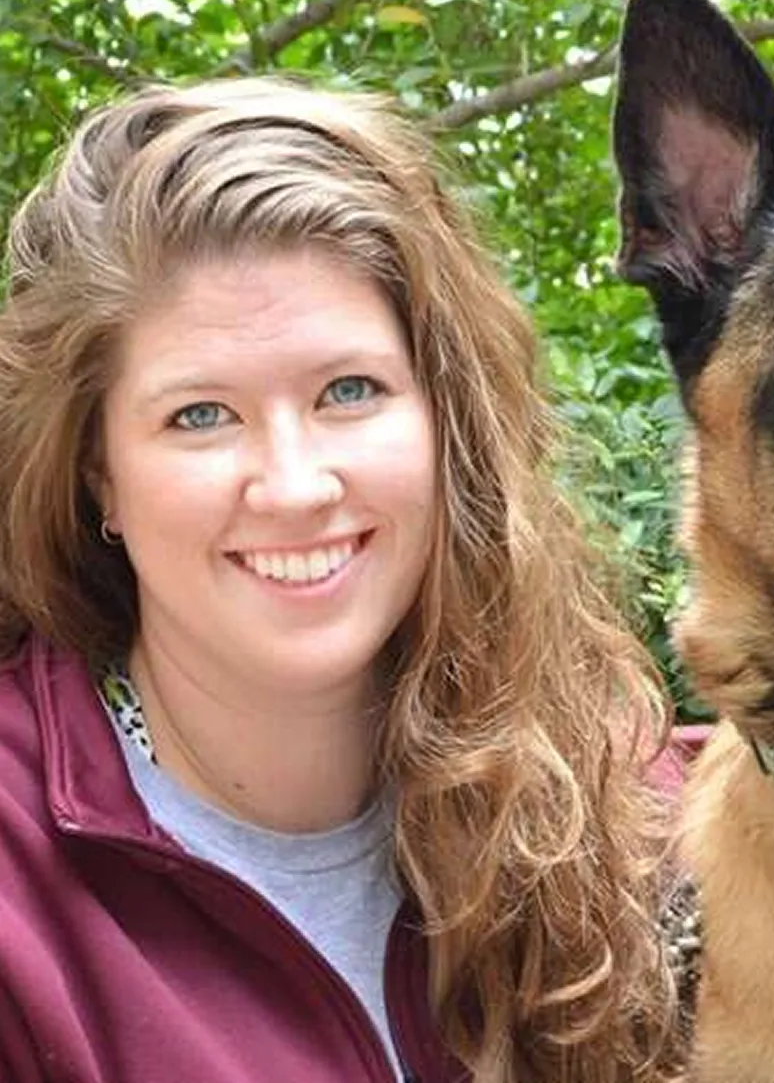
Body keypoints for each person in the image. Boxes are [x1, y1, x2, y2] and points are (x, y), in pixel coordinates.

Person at [0, 77, 676, 1083]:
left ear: (445, 422)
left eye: (348, 391)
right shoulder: (21, 900)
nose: (295, 485)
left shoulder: (618, 798)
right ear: (99, 471)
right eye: (200, 415)